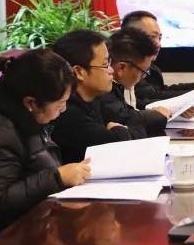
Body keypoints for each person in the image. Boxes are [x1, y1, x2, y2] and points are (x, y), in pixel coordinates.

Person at [0, 50, 92, 245]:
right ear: (30, 102)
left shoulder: (19, 115)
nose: (63, 109)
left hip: (24, 224)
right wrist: (57, 177)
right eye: (60, 103)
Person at [51, 29, 149, 164]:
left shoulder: (94, 99)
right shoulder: (66, 112)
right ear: (79, 72)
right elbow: (114, 146)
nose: (111, 70)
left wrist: (117, 131)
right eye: (104, 65)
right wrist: (119, 130)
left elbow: (137, 125)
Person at [120, 10, 194, 108]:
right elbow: (147, 97)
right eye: (152, 37)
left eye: (159, 38)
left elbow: (160, 91)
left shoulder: (152, 68)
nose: (158, 44)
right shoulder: (126, 67)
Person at [108, 27, 173, 135]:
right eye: (143, 72)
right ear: (121, 68)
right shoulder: (102, 89)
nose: (143, 77)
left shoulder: (122, 84)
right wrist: (158, 115)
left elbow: (135, 108)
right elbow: (124, 118)